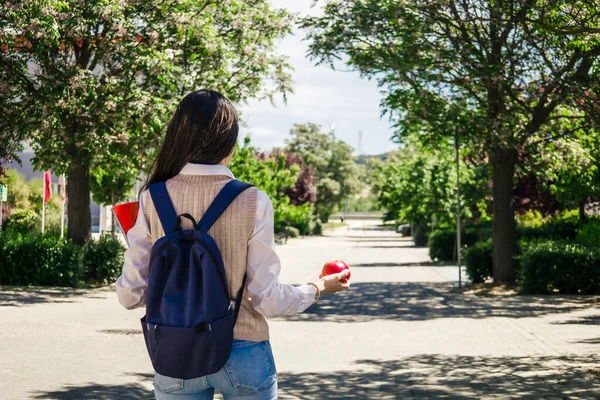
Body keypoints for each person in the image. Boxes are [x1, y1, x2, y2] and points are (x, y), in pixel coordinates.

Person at [115, 89, 350, 399]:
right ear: (230, 140)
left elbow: (130, 296)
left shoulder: (150, 199)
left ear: (178, 136)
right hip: (244, 353)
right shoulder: (253, 201)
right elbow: (265, 298)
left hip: (175, 353)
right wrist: (317, 287)